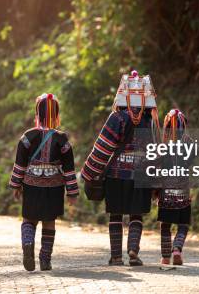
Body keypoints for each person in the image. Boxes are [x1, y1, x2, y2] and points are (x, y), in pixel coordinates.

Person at [81, 71, 160, 266]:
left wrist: (89, 172)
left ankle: (116, 256)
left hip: (116, 175)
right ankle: (133, 250)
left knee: (116, 214)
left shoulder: (117, 118)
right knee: (136, 214)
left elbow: (103, 147)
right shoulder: (150, 121)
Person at [9, 93, 78, 272]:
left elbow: (20, 164)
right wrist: (72, 192)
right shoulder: (62, 139)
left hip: (31, 185)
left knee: (28, 220)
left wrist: (16, 185)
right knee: (49, 221)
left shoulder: (27, 137)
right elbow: (69, 168)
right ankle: (45, 260)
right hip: (54, 187)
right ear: (56, 115)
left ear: (37, 114)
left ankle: (28, 243)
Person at [157, 109, 192, 265]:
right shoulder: (189, 143)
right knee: (183, 223)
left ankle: (165, 257)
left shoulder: (161, 145)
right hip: (183, 190)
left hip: (165, 190)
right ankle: (177, 249)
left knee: (165, 224)